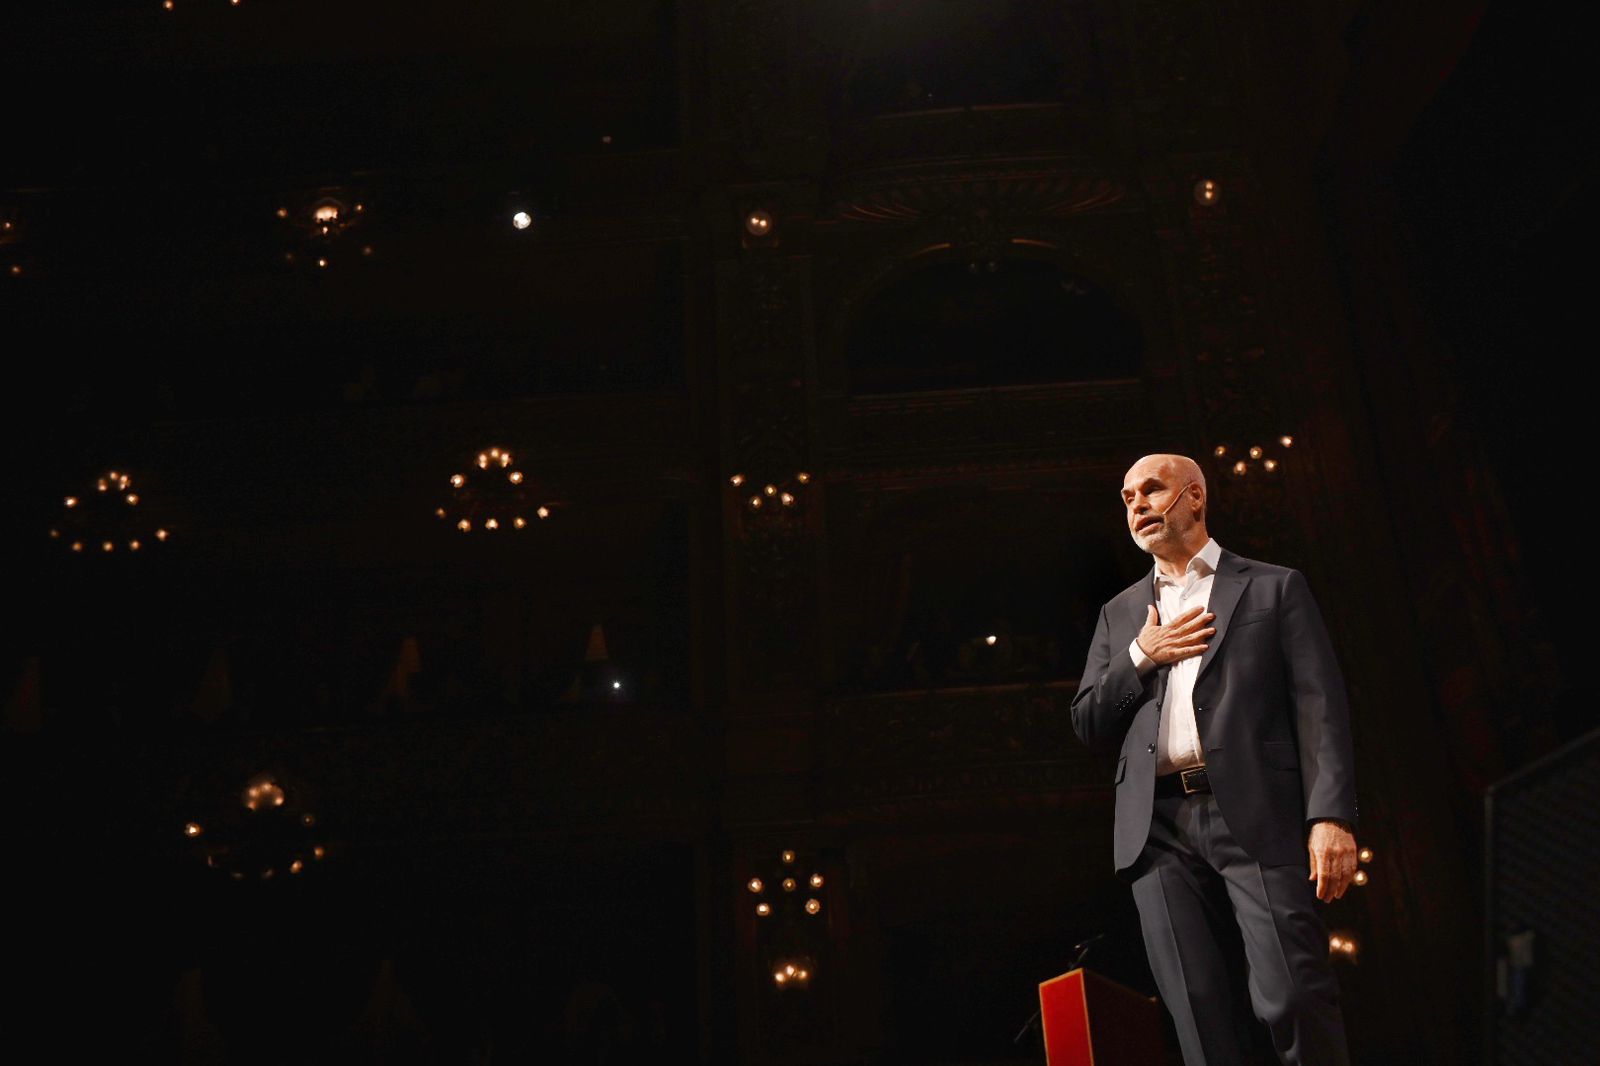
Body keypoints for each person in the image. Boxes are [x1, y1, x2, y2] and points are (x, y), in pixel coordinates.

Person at [1070, 453, 1359, 1065]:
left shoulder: (1271, 586)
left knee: (1291, 995)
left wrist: (1329, 816)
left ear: (1196, 497)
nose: (1138, 506)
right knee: (1197, 1014)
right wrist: (1140, 656)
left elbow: (1319, 704)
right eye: (1127, 498)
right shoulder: (1119, 614)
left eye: (1152, 490)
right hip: (1158, 828)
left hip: (1255, 813)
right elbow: (1088, 722)